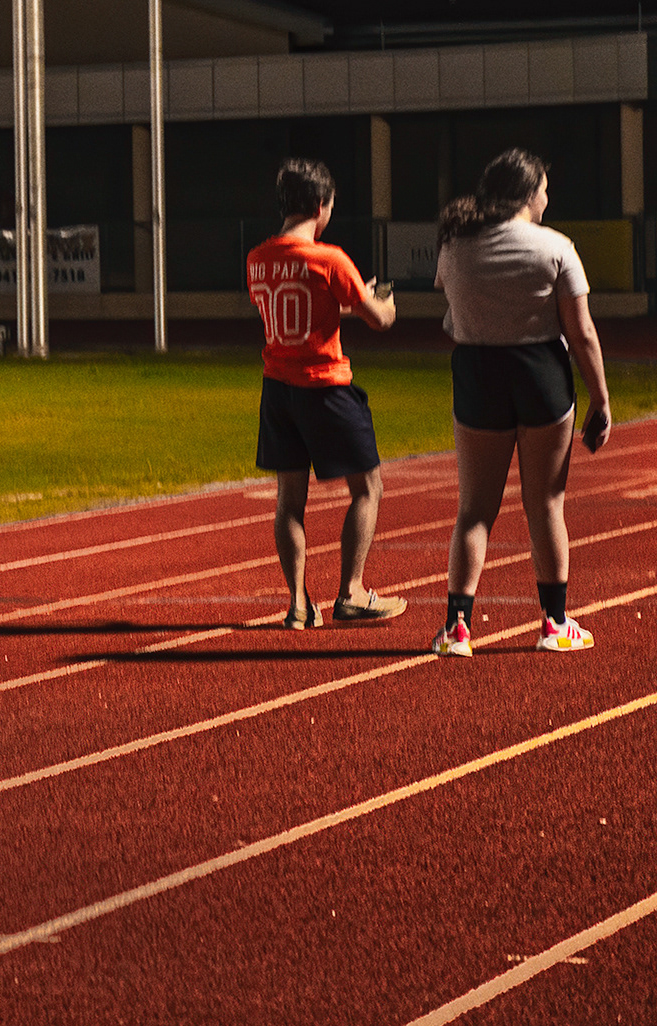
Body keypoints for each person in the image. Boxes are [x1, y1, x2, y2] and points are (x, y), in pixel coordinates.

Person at [432, 148, 611, 656]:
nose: (548, 198)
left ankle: (457, 629)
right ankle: (555, 625)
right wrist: (600, 398)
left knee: (474, 510)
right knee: (546, 505)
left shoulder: (454, 244)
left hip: (476, 373)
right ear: (530, 193)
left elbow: (453, 301)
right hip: (540, 376)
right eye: (545, 189)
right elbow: (582, 334)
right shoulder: (555, 248)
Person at [245, 158, 405, 629]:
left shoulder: (257, 258)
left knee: (289, 501)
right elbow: (378, 320)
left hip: (277, 388)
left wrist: (344, 300)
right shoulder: (330, 258)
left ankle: (297, 603)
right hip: (326, 386)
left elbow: (296, 306)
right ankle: (351, 592)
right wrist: (382, 304)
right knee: (367, 488)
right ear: (321, 204)